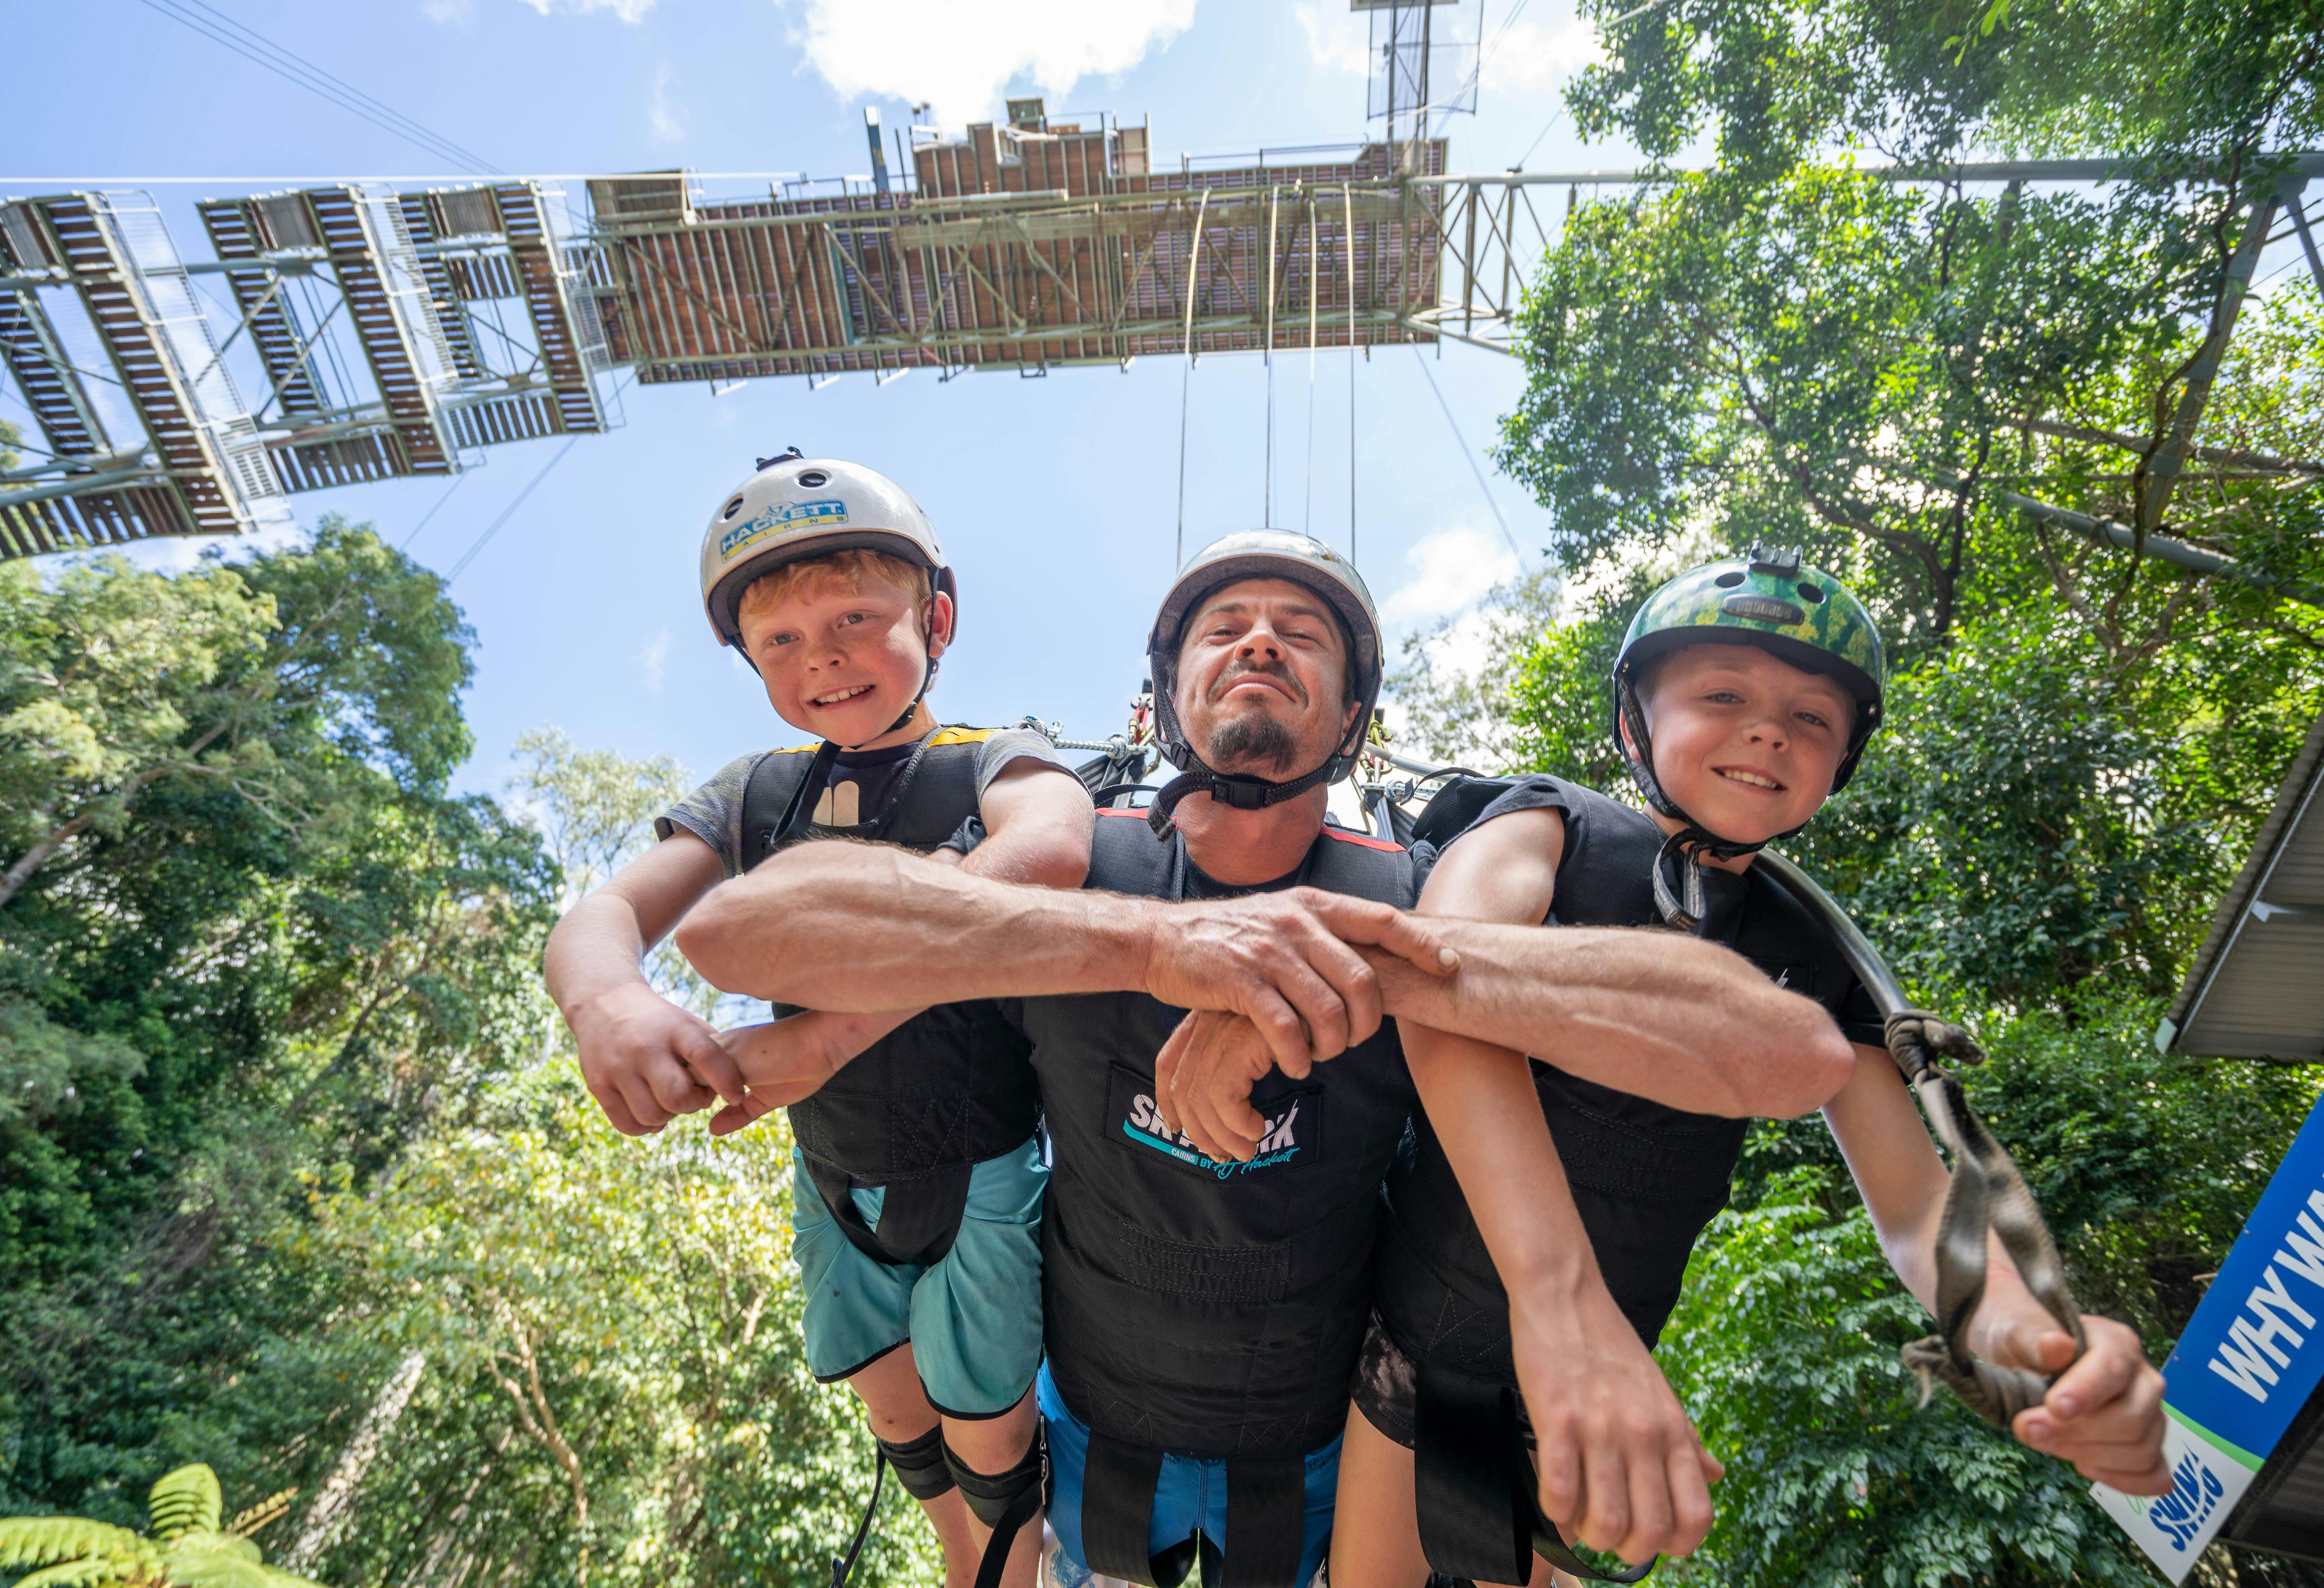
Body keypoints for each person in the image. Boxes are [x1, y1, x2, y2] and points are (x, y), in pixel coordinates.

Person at [682, 530, 1856, 1588]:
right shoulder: (1076, 862)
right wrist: (1157, 945)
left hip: (1315, 1449)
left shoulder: (1409, 897)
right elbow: (741, 933)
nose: (1258, 643)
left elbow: (1784, 1050)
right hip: (1093, 1423)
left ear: (1351, 721)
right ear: (1166, 696)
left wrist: (1372, 960)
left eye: (1301, 633)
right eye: (1223, 629)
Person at [1228, 547, 2169, 1587]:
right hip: (1424, 1331)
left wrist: (2033, 1338)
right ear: (1636, 721)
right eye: (1724, 695)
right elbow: (1438, 991)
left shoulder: (1813, 952)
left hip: (1592, 1381)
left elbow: (1915, 1207)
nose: (1770, 730)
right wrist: (1558, 1300)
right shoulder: (1550, 827)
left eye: (1813, 718)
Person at [542, 452, 1092, 1588]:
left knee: (989, 1426)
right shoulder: (759, 791)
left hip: (980, 1158)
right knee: (890, 1402)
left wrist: (824, 1035)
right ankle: (962, 1562)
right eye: (780, 640)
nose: (822, 658)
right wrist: (607, 998)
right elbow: (608, 913)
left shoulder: (989, 761)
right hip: (830, 1166)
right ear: (750, 661)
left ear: (936, 620)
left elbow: (1048, 849)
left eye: (854, 619)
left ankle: (1014, 1566)